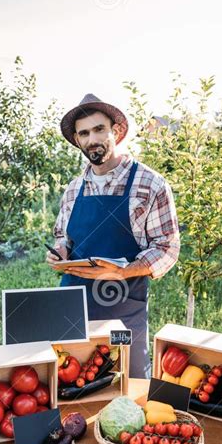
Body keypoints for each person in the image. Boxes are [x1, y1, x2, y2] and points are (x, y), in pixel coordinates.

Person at [47, 93, 180, 379]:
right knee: (71, 386)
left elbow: (167, 247)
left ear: (116, 131)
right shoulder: (73, 189)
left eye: (99, 129)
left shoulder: (149, 184)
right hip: (73, 308)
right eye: (84, 133)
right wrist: (60, 253)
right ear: (77, 140)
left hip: (123, 308)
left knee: (127, 387)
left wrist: (125, 271)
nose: (92, 139)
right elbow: (63, 237)